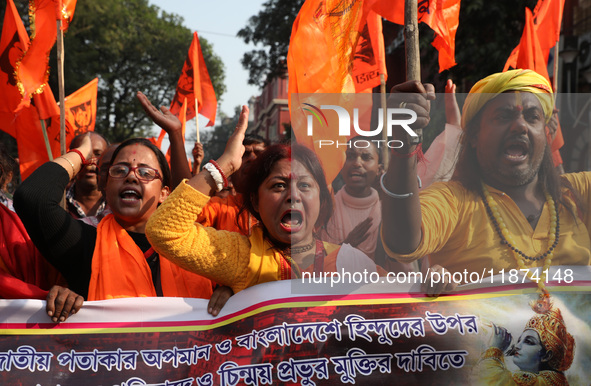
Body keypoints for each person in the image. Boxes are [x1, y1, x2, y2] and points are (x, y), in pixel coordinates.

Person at [381, 69, 591, 285]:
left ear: (545, 135)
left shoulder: (578, 192)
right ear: (473, 136)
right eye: (503, 116)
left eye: (532, 117)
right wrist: (404, 145)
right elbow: (403, 241)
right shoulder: (455, 202)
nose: (520, 126)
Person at [146, 109, 379, 294]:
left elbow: (406, 300)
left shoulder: (351, 263)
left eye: (305, 185)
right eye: (278, 185)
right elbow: (164, 231)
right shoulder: (240, 257)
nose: (293, 195)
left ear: (322, 200)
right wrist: (225, 164)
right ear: (255, 202)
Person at [14, 135, 214, 309]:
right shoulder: (87, 245)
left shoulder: (198, 247)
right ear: (106, 187)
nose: (131, 177)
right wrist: (82, 153)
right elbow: (33, 197)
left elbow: (243, 277)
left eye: (145, 173)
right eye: (119, 171)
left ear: (164, 193)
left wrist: (229, 292)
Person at [476, 298, 575, 385]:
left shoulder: (540, 382)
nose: (518, 346)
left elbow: (489, 380)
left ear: (546, 356)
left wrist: (495, 348)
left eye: (529, 342)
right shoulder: (553, 380)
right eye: (519, 340)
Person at [321, 136, 383, 261]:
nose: (357, 163)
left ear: (379, 169)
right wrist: (347, 245)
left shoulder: (387, 210)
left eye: (366, 157)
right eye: (350, 156)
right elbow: (312, 262)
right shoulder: (325, 208)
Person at [197, 134, 269, 236]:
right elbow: (182, 215)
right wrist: (176, 135)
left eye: (260, 154)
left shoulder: (281, 205)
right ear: (231, 172)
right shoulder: (218, 207)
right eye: (244, 154)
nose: (252, 158)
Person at [65, 132, 109, 220]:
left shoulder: (119, 204)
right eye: (83, 154)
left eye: (98, 154)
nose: (91, 161)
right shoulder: (57, 201)